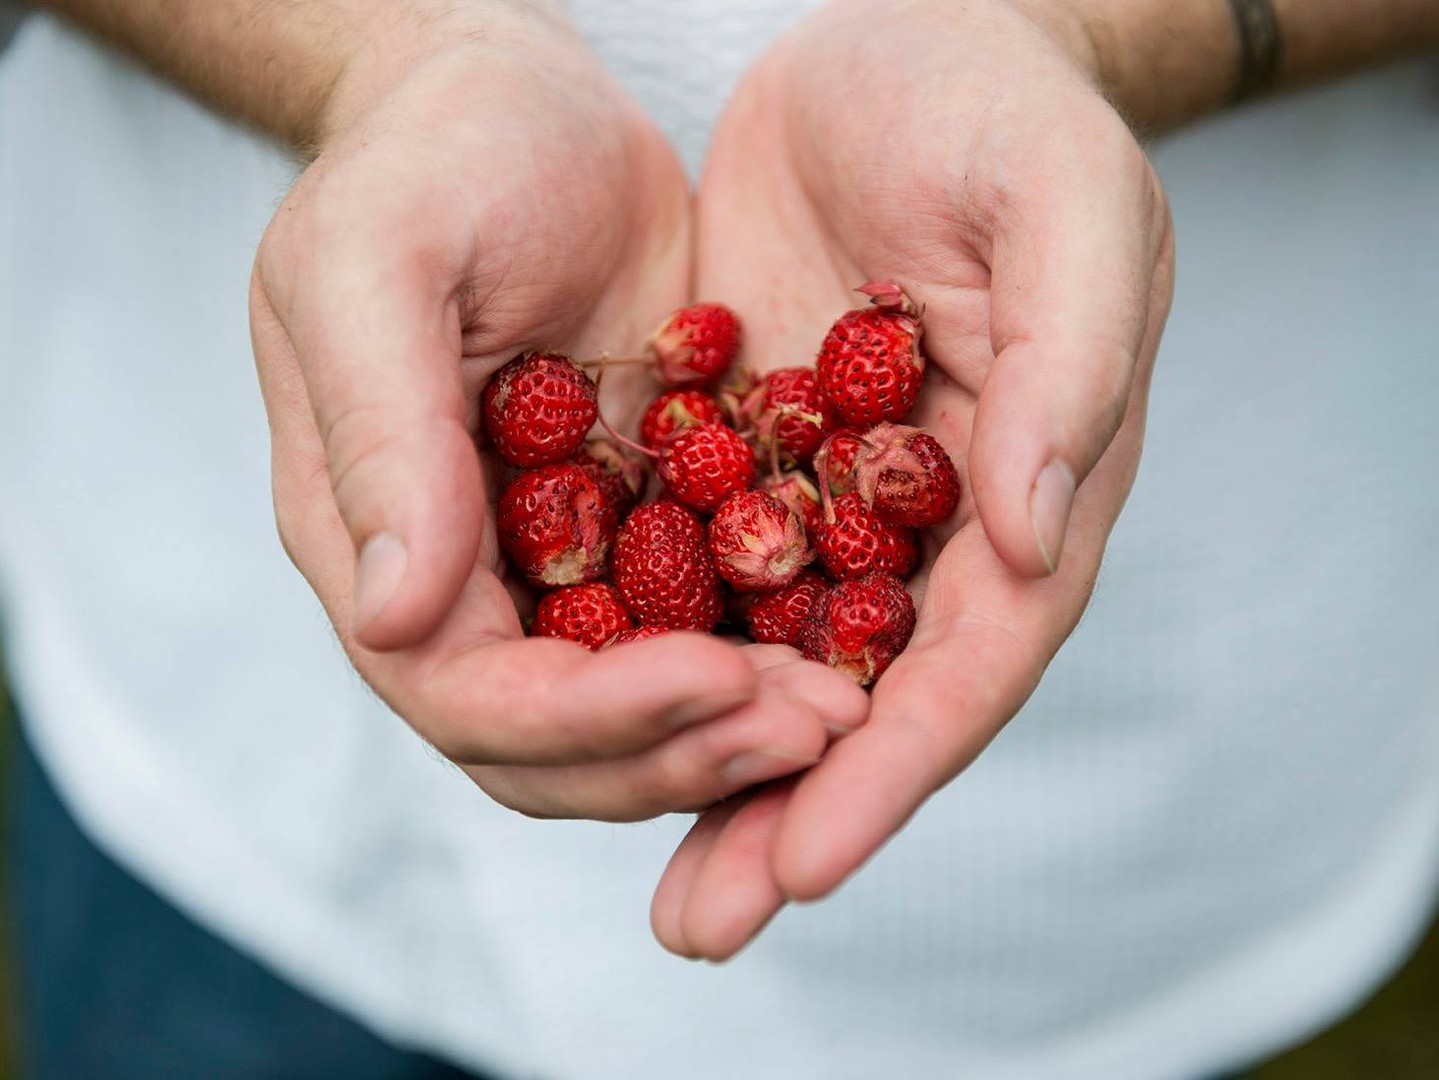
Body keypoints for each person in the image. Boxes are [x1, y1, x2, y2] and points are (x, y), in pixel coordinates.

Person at [2, 0, 1437, 1076]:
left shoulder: (728, 469)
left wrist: (1089, 35)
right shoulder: (726, 469)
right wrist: (381, 58)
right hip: (234, 780)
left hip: (1139, 823)